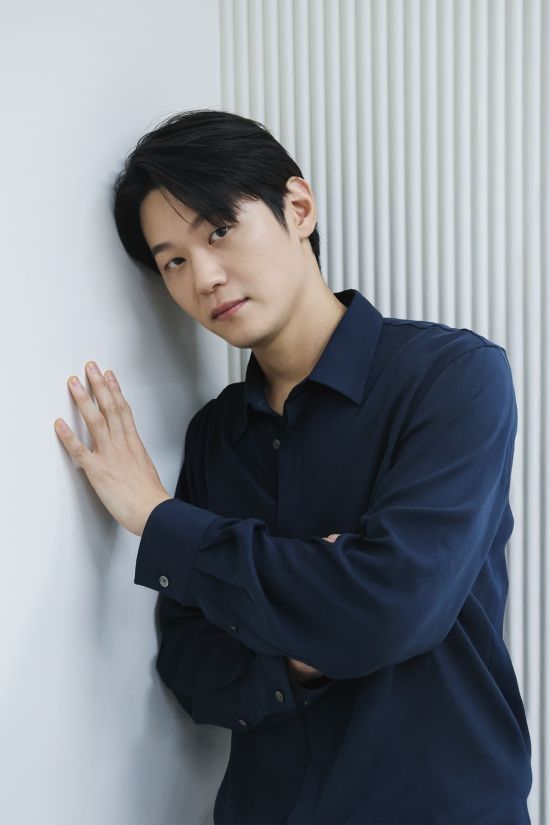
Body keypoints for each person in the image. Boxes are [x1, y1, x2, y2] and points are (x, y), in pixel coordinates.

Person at [56, 109, 532, 824]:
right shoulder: (215, 435)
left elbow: (389, 606)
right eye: (173, 261)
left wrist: (161, 521)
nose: (204, 277)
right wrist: (306, 648)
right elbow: (189, 665)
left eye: (219, 229)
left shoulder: (453, 377)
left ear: (298, 208)